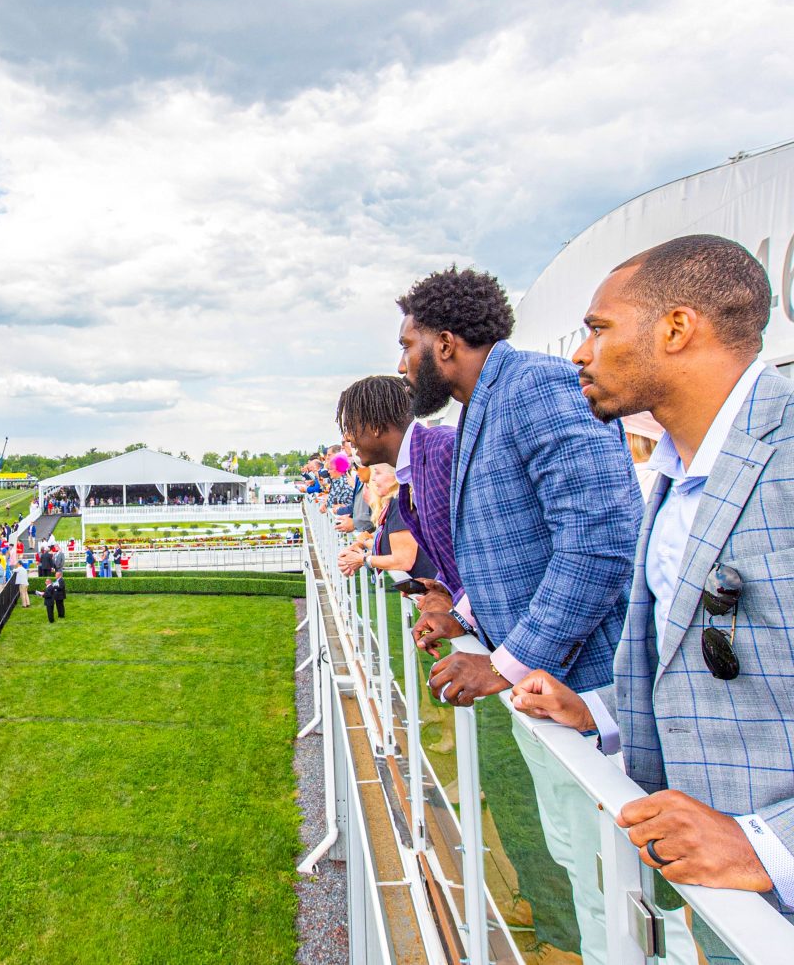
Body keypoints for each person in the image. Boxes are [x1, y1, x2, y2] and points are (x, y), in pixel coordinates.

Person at [511, 235, 794, 945]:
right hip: (722, 909)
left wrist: (770, 847)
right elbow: (693, 670)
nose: (579, 353)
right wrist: (598, 712)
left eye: (599, 329)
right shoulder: (675, 472)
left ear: (676, 328)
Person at [397, 265, 642, 965]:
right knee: (579, 864)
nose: (401, 361)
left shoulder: (536, 386)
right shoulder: (485, 403)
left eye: (407, 343)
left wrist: (502, 664)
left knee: (625, 891)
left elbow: (598, 539)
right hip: (549, 689)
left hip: (593, 688)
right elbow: (512, 545)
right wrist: (464, 612)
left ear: (445, 344)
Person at [335, 374, 463, 605]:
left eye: (350, 425)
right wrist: (444, 588)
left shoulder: (444, 450)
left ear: (374, 426)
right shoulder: (413, 470)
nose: (347, 437)